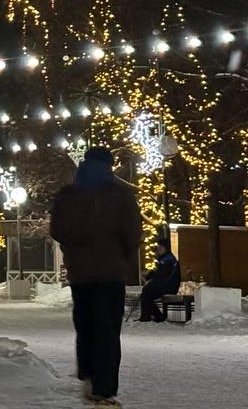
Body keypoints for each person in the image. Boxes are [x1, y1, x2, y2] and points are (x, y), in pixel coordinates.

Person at [49, 146, 143, 408]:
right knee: (108, 330)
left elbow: (56, 229)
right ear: (109, 165)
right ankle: (104, 389)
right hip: (110, 273)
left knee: (86, 324)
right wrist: (120, 255)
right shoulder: (121, 194)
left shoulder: (68, 195)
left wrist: (74, 248)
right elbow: (133, 232)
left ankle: (88, 374)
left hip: (80, 274)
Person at [138, 239, 180, 323]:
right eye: (158, 247)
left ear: (166, 248)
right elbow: (156, 272)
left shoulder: (168, 259)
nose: (159, 249)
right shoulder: (163, 259)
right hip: (165, 285)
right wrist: (148, 277)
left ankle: (148, 317)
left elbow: (162, 275)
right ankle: (157, 316)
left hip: (169, 287)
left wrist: (151, 281)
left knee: (147, 292)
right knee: (146, 292)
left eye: (161, 247)